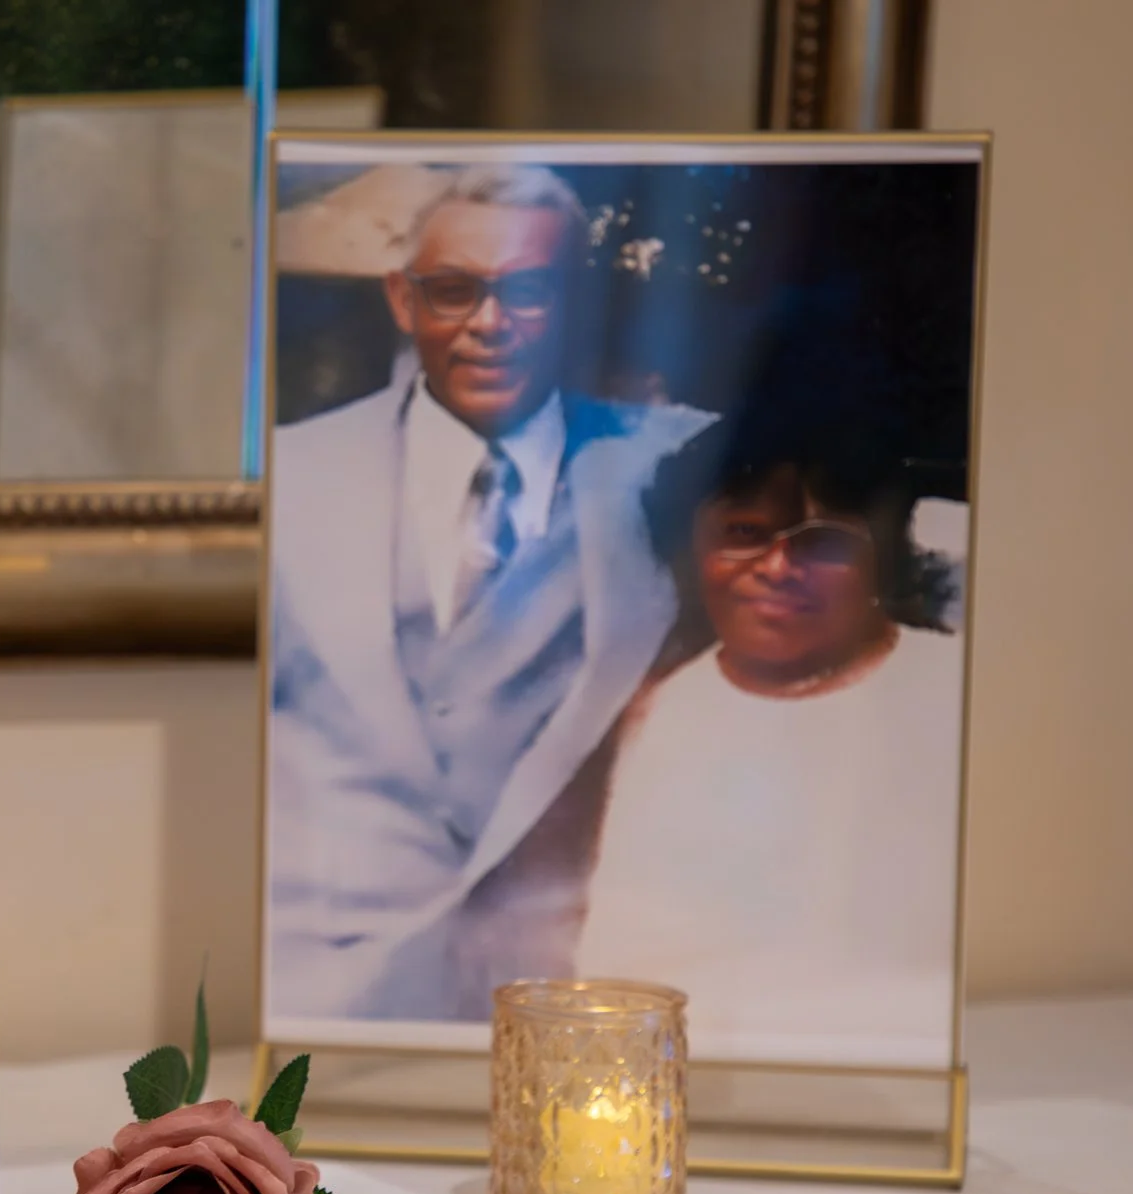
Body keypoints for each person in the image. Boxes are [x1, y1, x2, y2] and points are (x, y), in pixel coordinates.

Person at [266, 164, 715, 1027]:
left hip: (566, 1000)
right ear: (402, 300)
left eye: (530, 292)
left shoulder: (677, 465)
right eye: (453, 290)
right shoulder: (291, 475)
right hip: (323, 1000)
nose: (489, 324)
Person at [574, 364, 966, 1067]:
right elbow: (616, 961)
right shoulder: (661, 711)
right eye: (745, 532)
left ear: (880, 551)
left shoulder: (948, 691)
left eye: (821, 542)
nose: (779, 567)